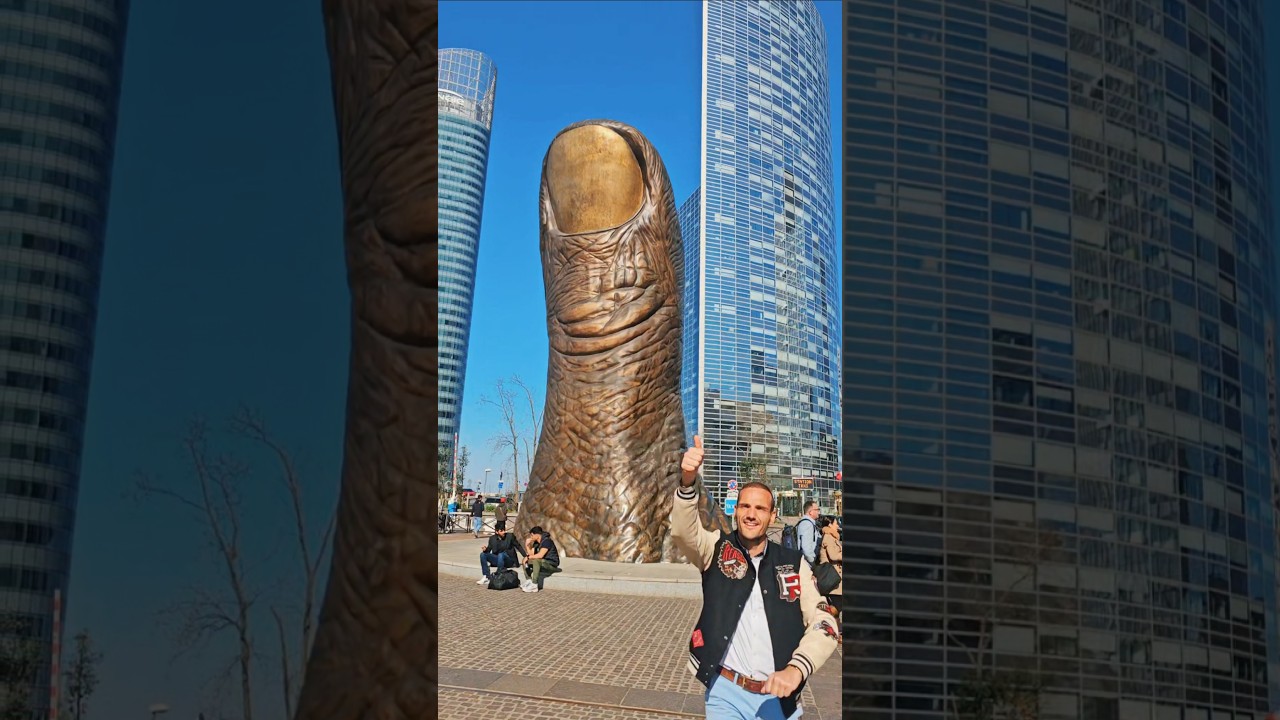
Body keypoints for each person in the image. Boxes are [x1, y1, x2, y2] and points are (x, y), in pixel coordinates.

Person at [672, 435, 839, 720]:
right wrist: (688, 481)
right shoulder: (715, 549)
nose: (751, 514)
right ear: (736, 510)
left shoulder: (793, 562)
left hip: (778, 696)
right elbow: (683, 533)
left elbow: (824, 622)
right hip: (725, 691)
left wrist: (797, 669)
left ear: (772, 515)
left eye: (760, 508)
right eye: (745, 506)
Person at [520, 525, 559, 593]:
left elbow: (540, 555)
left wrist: (528, 557)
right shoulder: (536, 543)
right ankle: (529, 580)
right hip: (542, 563)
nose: (531, 537)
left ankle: (534, 585)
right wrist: (527, 545)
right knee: (525, 560)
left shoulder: (547, 541)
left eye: (532, 535)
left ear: (537, 535)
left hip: (551, 564)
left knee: (536, 560)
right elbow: (531, 554)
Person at [817, 516, 842, 605]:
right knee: (837, 605)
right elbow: (833, 556)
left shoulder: (832, 536)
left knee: (837, 605)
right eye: (836, 523)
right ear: (830, 525)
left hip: (834, 574)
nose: (838, 525)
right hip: (832, 575)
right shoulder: (828, 537)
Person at [797, 500, 821, 565]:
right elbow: (806, 548)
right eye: (817, 510)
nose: (819, 512)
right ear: (810, 512)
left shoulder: (806, 523)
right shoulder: (807, 524)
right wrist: (812, 562)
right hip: (807, 564)